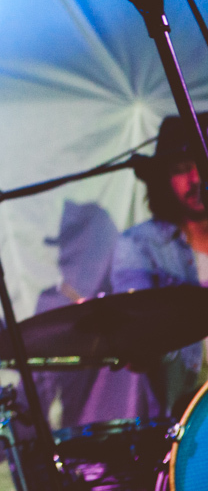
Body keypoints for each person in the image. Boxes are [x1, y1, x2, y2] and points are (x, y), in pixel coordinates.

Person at [111, 113, 208, 417]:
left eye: (201, 166)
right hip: (191, 417)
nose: (195, 179)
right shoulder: (140, 245)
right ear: (164, 179)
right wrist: (139, 346)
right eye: (181, 169)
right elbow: (137, 324)